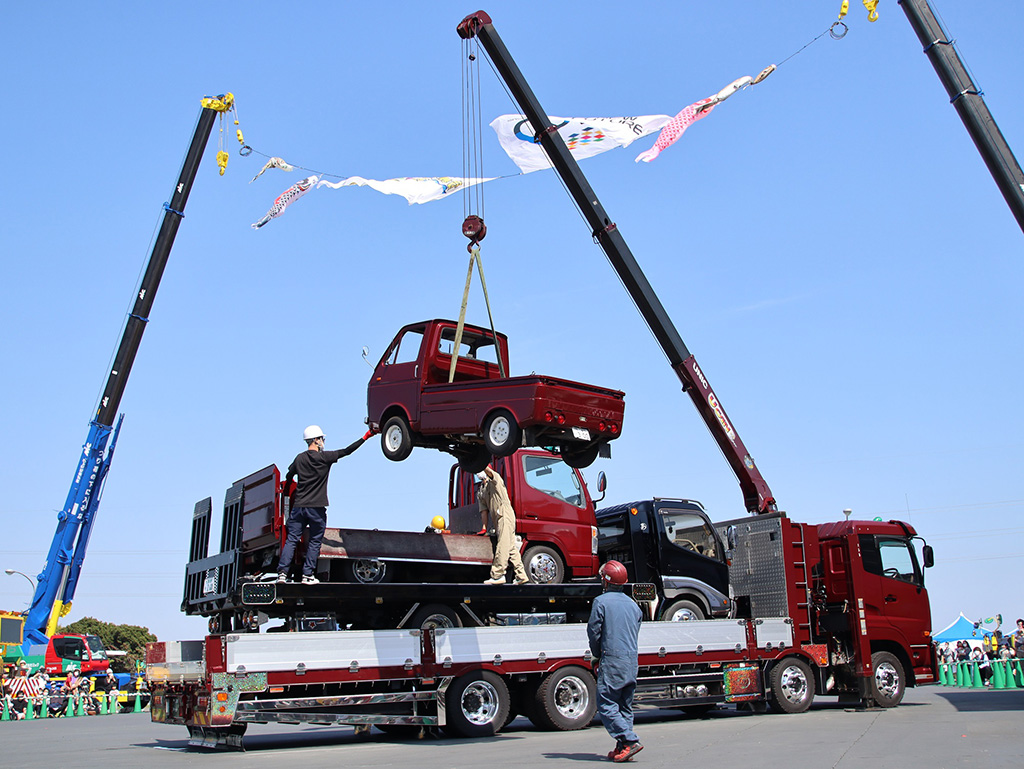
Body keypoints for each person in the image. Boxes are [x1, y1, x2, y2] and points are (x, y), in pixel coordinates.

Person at [263, 425, 372, 584]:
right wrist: (366, 436)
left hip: (299, 507)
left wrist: (287, 492)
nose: (323, 441)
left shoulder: (299, 458)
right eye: (322, 439)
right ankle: (308, 575)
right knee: (315, 541)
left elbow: (288, 475)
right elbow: (347, 451)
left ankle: (282, 574)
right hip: (316, 508)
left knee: (292, 540)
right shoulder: (325, 458)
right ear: (316, 440)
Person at [587, 560, 643, 763]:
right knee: (624, 706)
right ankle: (623, 746)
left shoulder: (601, 602)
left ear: (605, 580)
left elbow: (594, 632)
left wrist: (596, 655)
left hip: (612, 659)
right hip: (631, 660)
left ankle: (630, 740)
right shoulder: (633, 605)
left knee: (607, 703)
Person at [476, 465, 528, 585]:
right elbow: (484, 511)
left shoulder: (496, 479)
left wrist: (478, 461)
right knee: (510, 547)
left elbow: (489, 472)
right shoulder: (481, 490)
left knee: (503, 545)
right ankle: (521, 575)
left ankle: (498, 574)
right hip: (498, 519)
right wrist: (484, 528)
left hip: (505, 515)